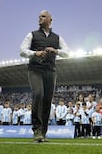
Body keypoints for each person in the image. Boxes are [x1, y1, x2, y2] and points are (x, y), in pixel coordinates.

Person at [20, 10, 69, 142]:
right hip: (35, 70)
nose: (39, 18)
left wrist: (55, 50)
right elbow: (22, 51)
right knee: (38, 94)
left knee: (47, 101)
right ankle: (36, 129)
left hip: (50, 71)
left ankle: (43, 132)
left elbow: (67, 52)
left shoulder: (57, 38)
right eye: (39, 16)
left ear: (50, 20)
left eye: (43, 16)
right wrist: (35, 53)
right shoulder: (32, 35)